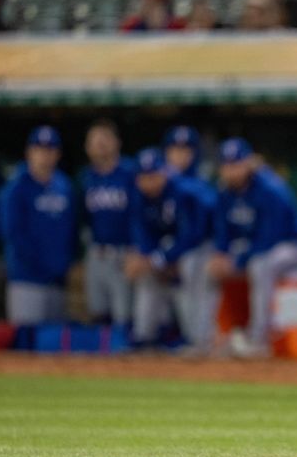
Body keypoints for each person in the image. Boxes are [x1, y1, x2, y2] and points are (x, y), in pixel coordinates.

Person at [209, 138, 297, 356]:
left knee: (261, 265)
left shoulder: (269, 187)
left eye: (237, 164)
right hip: (256, 247)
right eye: (227, 165)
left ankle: (259, 339)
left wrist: (236, 260)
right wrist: (220, 254)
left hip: (296, 246)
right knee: (209, 267)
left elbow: (268, 238)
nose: (232, 171)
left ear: (249, 162)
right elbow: (222, 231)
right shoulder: (224, 191)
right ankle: (208, 337)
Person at [125, 148, 210, 348]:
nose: (149, 181)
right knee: (145, 274)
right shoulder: (138, 196)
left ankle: (196, 339)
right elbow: (141, 232)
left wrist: (162, 259)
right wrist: (150, 258)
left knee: (188, 271)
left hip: (199, 247)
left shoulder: (183, 191)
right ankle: (144, 336)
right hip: (167, 248)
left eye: (154, 175)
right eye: (144, 177)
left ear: (164, 172)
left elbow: (192, 235)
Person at [1, 126, 76, 325]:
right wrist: (43, 266)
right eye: (39, 149)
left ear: (57, 154)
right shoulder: (17, 187)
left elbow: (71, 231)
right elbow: (14, 234)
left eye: (50, 149)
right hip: (26, 279)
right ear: (29, 152)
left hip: (57, 281)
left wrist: (62, 265)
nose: (44, 155)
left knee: (54, 346)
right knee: (27, 344)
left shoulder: (64, 186)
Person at [161, 126, 218, 353]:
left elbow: (197, 231)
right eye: (175, 150)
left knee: (194, 272)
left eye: (186, 150)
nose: (180, 155)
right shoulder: (160, 181)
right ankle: (183, 336)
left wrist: (169, 254)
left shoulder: (199, 185)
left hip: (200, 248)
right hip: (174, 250)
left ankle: (200, 340)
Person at [80, 119, 135, 326]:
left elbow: (138, 215)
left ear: (117, 142)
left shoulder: (129, 173)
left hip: (123, 253)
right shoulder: (86, 177)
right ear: (87, 147)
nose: (100, 144)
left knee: (124, 315)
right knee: (97, 312)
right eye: (95, 140)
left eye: (105, 138)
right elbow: (83, 219)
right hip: (96, 252)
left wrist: (136, 248)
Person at [120, 0, 185, 32]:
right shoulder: (132, 27)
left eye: (158, 5)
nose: (154, 11)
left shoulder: (177, 26)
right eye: (150, 5)